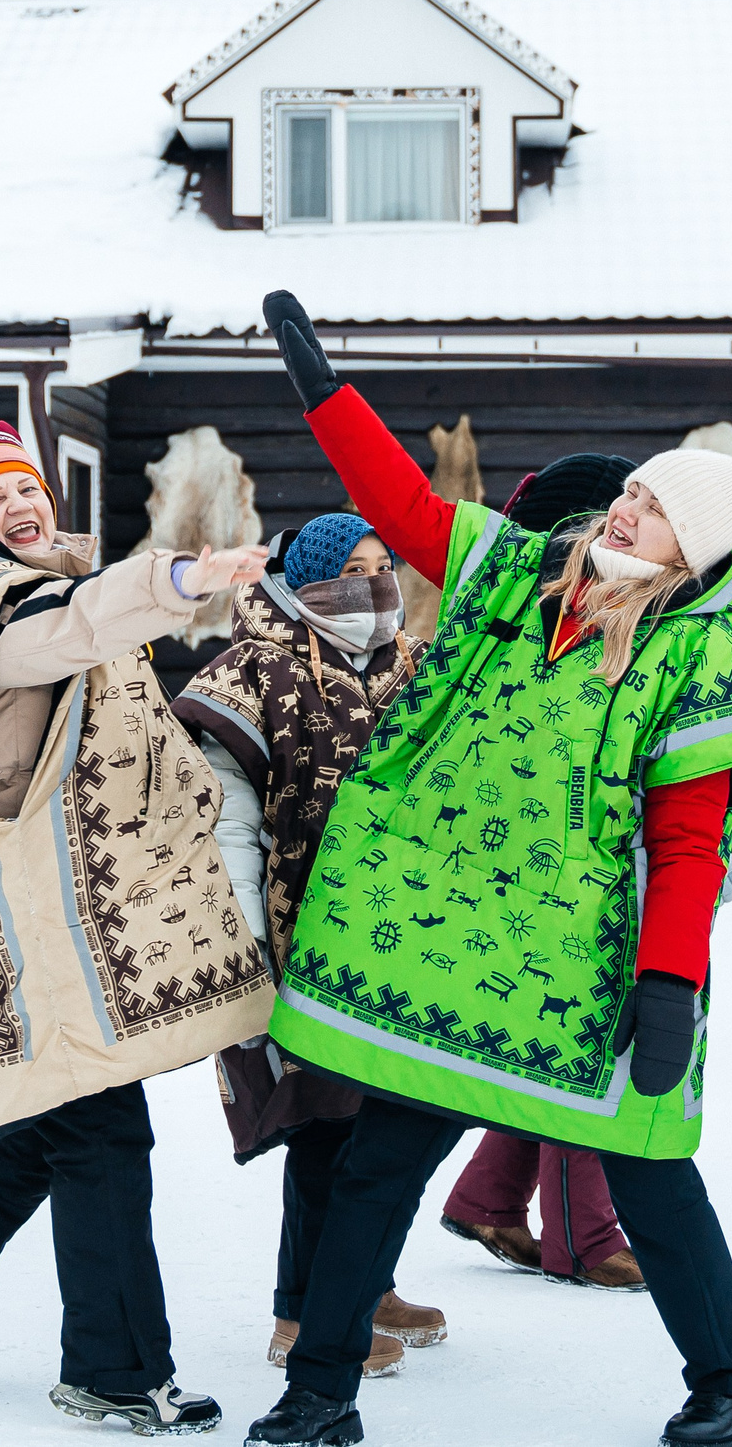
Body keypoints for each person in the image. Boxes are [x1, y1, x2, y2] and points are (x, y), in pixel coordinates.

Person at [248, 291, 732, 1447]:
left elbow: (687, 843)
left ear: (690, 545)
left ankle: (727, 1383)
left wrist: (669, 982)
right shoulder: (513, 569)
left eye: (653, 506)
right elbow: (399, 501)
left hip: (581, 968)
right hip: (442, 944)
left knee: (650, 1177)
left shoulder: (705, 654)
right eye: (631, 491)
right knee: (376, 1162)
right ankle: (320, 1390)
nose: (629, 507)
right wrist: (323, 392)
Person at [0, 417, 276, 1437]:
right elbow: (80, 627)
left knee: (47, 1125)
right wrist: (177, 578)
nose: (22, 507)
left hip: (65, 912)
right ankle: (117, 1370)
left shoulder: (17, 595)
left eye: (27, 490)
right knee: (100, 1130)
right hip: (27, 920)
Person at [171, 512, 442, 1379]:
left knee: (399, 1117)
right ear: (301, 585)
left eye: (380, 566)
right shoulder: (253, 675)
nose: (370, 586)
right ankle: (302, 1313)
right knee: (327, 1122)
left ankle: (364, 1279)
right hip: (302, 934)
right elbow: (228, 828)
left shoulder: (412, 665)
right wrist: (248, 951)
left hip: (407, 932)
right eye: (346, 571)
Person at [434, 452, 649, 1296]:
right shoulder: (541, 615)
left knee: (559, 1033)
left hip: (589, 861)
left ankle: (489, 1196)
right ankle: (585, 1236)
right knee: (585, 1038)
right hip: (546, 869)